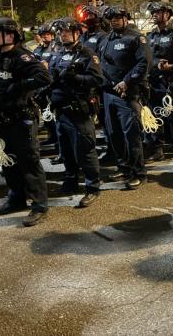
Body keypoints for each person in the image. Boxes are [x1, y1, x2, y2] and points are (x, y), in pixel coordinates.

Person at [0, 17, 52, 227]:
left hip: (22, 118)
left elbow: (44, 78)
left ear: (10, 35)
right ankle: (16, 198)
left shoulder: (22, 57)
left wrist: (19, 86)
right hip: (4, 119)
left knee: (29, 161)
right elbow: (1, 86)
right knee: (9, 161)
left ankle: (39, 205)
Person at [48, 18, 103, 206]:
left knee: (85, 151)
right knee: (66, 151)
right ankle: (70, 181)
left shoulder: (87, 54)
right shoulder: (58, 54)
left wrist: (77, 78)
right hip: (61, 112)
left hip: (78, 111)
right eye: (60, 32)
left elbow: (97, 79)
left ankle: (92, 187)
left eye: (66, 32)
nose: (62, 35)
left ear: (77, 33)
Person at [99, 5, 151, 189]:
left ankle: (139, 172)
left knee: (132, 136)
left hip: (127, 94)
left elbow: (144, 63)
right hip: (108, 94)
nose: (114, 20)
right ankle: (124, 167)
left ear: (126, 18)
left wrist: (127, 82)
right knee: (114, 134)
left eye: (118, 17)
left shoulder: (136, 38)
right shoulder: (106, 39)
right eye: (111, 17)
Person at [145, 2, 173, 171]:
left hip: (172, 84)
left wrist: (171, 67)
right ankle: (157, 151)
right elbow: (147, 60)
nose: (154, 14)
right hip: (155, 84)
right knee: (155, 118)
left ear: (167, 15)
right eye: (153, 12)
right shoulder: (150, 36)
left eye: (158, 12)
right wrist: (157, 64)